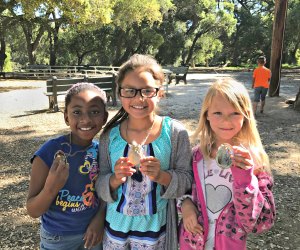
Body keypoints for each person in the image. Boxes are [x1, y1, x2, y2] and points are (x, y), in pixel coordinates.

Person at [95, 54, 193, 249]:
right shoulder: (110, 137)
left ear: (160, 93)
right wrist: (115, 179)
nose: (138, 98)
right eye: (130, 91)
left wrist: (162, 176)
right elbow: (99, 183)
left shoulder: (174, 133)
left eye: (147, 91)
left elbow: (187, 180)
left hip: (157, 231)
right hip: (116, 230)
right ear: (120, 93)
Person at [178, 79, 276, 250]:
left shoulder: (255, 160)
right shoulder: (196, 156)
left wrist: (245, 179)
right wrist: (185, 206)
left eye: (234, 113)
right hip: (192, 242)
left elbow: (261, 223)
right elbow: (182, 189)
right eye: (218, 113)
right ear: (206, 115)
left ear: (245, 115)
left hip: (230, 244)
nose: (226, 121)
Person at [26, 82, 109, 250]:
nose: (86, 119)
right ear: (66, 117)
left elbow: (106, 192)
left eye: (94, 112)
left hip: (94, 234)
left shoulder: (103, 151)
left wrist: (100, 218)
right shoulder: (49, 152)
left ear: (104, 118)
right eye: (77, 112)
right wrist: (51, 187)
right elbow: (33, 210)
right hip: (58, 238)